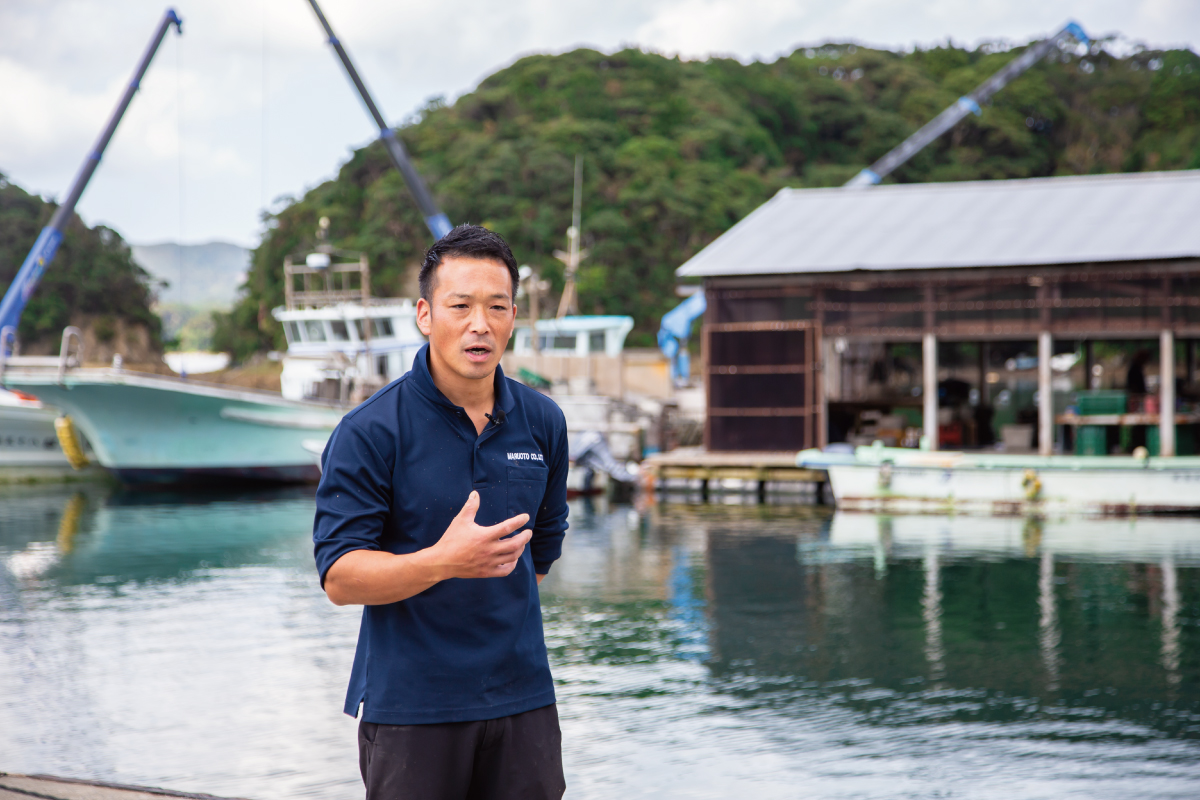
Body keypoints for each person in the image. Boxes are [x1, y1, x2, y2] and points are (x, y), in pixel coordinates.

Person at [313, 225, 569, 800]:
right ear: (425, 315)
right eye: (461, 306)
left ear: (513, 317)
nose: (480, 324)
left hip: (523, 702)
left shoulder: (543, 421)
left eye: (497, 307)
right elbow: (340, 578)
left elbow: (541, 552)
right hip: (412, 709)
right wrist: (443, 562)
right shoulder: (369, 431)